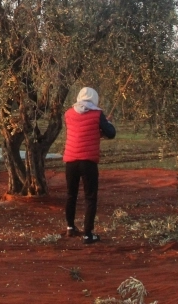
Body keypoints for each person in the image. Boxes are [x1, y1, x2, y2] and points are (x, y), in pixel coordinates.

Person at [62, 87, 116, 244]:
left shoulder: (68, 113)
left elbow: (81, 132)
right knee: (90, 197)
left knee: (71, 195)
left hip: (71, 161)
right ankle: (87, 234)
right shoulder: (97, 114)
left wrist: (99, 129)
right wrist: (107, 123)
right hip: (88, 162)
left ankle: (70, 227)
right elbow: (111, 133)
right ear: (94, 98)